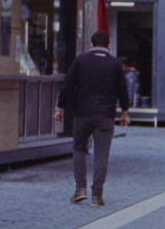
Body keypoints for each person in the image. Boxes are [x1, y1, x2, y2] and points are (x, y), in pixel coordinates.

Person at [55, 30, 130, 207]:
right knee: (101, 154)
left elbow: (68, 84)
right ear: (108, 46)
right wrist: (125, 112)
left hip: (82, 113)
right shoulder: (114, 63)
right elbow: (122, 89)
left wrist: (60, 108)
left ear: (91, 44)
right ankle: (97, 196)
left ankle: (80, 189)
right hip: (105, 115)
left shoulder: (81, 60)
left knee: (80, 148)